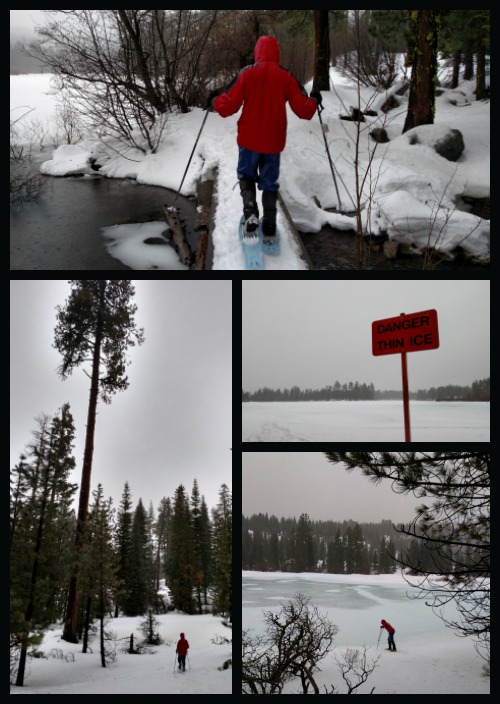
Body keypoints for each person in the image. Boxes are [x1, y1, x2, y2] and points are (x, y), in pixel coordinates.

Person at [206, 35, 321, 244]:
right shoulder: (286, 77)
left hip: (249, 142)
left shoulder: (247, 74)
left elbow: (227, 107)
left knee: (246, 176)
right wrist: (314, 100)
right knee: (269, 182)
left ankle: (250, 215)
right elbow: (304, 111)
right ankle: (269, 223)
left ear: (257, 52)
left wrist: (214, 99)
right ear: (276, 52)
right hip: (273, 143)